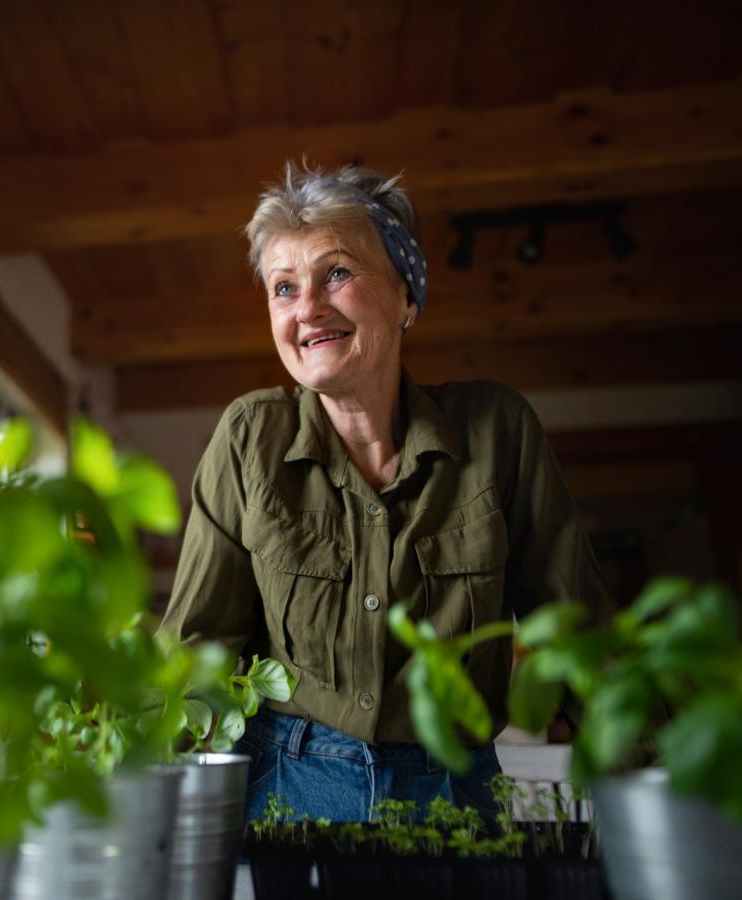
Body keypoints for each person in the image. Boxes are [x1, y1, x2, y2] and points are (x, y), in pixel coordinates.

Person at [160, 163, 613, 823]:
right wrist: (138, 806)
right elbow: (196, 649)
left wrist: (659, 784)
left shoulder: (496, 430)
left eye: (337, 273)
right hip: (285, 785)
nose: (307, 309)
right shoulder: (250, 436)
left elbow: (578, 629)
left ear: (407, 297)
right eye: (284, 288)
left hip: (453, 792)